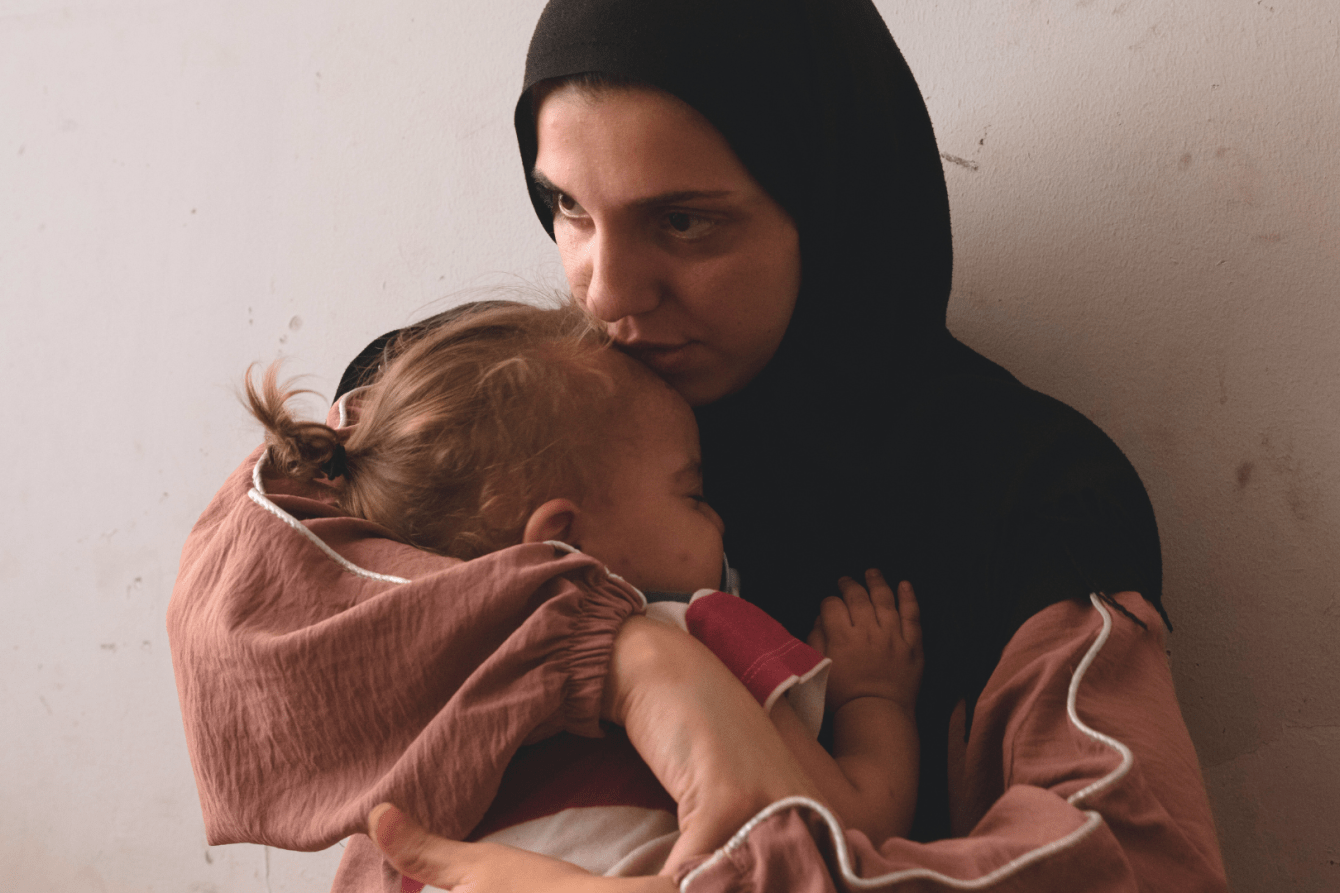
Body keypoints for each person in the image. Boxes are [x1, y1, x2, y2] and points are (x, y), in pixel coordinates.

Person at [335, 0, 1227, 889]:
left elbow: (1138, 861)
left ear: (834, 203)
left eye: (684, 221)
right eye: (568, 205)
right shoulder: (460, 412)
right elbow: (245, 641)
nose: (607, 293)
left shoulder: (1024, 491)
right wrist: (619, 659)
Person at [169, 301, 923, 888]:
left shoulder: (416, 726)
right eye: (692, 493)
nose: (720, 519)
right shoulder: (692, 633)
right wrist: (874, 696)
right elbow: (853, 819)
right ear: (564, 538)